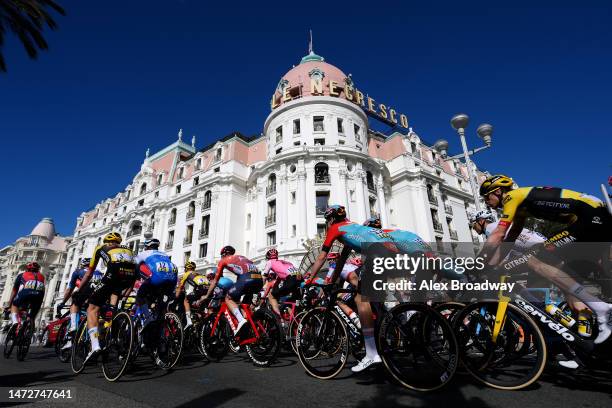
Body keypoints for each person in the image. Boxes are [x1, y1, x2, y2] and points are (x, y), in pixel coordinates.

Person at [479, 175, 612, 344]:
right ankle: (585, 342)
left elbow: (499, 233)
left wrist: (480, 262)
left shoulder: (512, 197)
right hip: (594, 217)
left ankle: (600, 308)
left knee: (532, 257)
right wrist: (492, 265)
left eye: (487, 197)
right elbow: (510, 239)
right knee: (567, 280)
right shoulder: (521, 207)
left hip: (589, 218)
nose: (486, 202)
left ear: (498, 191)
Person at [305, 205, 409, 373]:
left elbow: (322, 256)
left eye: (328, 221)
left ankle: (372, 353)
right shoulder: (353, 227)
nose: (328, 224)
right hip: (393, 252)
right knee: (372, 299)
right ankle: (389, 329)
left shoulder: (335, 229)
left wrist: (309, 278)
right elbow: (342, 260)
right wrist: (333, 280)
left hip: (377, 255)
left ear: (330, 219)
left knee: (360, 298)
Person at [78, 232, 137, 363]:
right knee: (113, 305)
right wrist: (126, 295)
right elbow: (135, 273)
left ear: (107, 242)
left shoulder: (101, 247)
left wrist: (80, 289)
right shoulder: (129, 250)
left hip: (114, 274)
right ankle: (113, 330)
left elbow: (89, 273)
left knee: (92, 308)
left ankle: (95, 346)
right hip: (129, 277)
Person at [194, 246, 262, 336]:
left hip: (246, 278)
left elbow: (215, 280)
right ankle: (249, 327)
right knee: (244, 306)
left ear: (224, 254)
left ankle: (241, 321)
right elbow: (241, 276)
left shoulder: (223, 260)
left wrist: (206, 295)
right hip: (258, 280)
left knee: (228, 298)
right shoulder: (242, 258)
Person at [57, 258, 103, 349]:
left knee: (75, 304)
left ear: (82, 265)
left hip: (87, 291)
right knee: (94, 315)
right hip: (100, 294)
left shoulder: (78, 271)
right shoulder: (100, 273)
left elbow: (69, 290)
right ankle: (95, 341)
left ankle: (73, 326)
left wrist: (63, 302)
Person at [133, 238, 177, 330]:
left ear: (147, 247)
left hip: (157, 279)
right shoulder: (164, 254)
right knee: (159, 301)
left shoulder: (144, 253)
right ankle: (160, 320)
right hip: (172, 280)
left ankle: (149, 318)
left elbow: (134, 265)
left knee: (140, 296)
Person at [5, 262, 45, 333]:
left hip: (26, 293)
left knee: (15, 306)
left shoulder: (22, 275)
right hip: (39, 296)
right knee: (32, 316)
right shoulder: (42, 276)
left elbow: (14, 291)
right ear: (38, 270)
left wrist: (9, 305)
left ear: (27, 269)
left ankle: (15, 322)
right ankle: (30, 334)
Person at [261, 248, 301, 318]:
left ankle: (279, 318)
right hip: (299, 278)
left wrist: (259, 288)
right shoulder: (285, 262)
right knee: (290, 302)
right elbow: (279, 279)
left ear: (268, 257)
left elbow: (264, 277)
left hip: (291, 279)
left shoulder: (270, 262)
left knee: (271, 296)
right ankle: (295, 322)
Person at [175, 261, 208, 329]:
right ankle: (200, 321)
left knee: (186, 300)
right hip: (208, 290)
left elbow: (180, 287)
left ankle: (189, 321)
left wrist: (176, 297)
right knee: (199, 308)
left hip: (200, 289)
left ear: (186, 268)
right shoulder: (199, 274)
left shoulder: (186, 274)